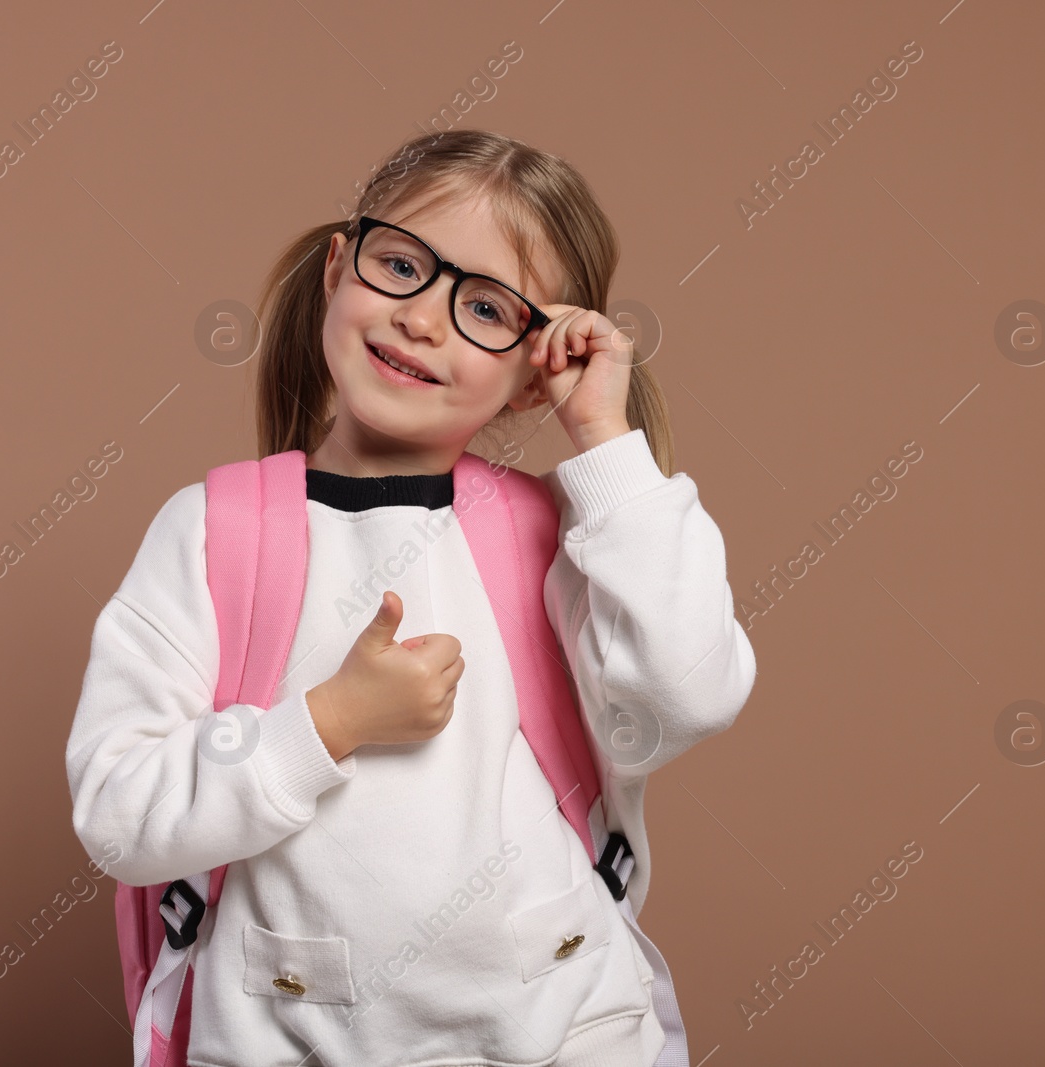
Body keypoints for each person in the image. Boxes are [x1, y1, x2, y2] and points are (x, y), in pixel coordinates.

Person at [65, 127, 758, 1067]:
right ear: (337, 272)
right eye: (402, 265)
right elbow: (120, 813)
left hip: (564, 1034)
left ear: (533, 373)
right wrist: (325, 724)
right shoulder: (212, 531)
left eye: (485, 306)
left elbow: (688, 695)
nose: (424, 319)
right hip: (290, 1030)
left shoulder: (560, 531)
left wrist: (603, 439)